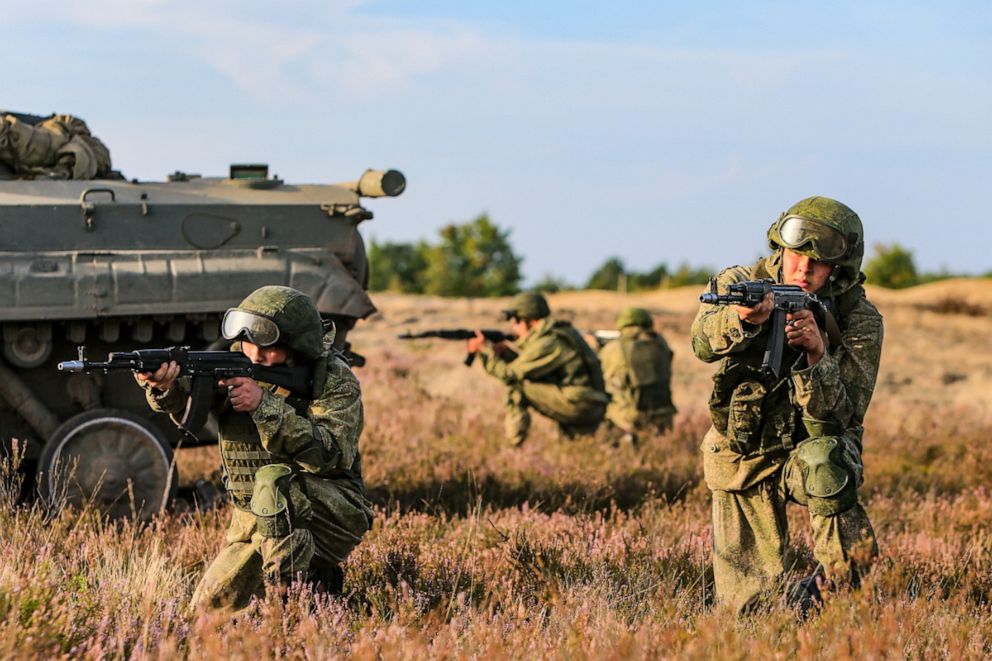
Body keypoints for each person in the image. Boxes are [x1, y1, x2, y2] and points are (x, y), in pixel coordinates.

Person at [690, 196, 881, 615]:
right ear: (780, 247)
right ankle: (787, 609)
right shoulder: (741, 281)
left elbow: (846, 414)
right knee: (748, 611)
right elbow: (701, 343)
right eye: (796, 254)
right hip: (742, 452)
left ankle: (838, 587)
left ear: (841, 268)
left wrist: (817, 355)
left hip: (810, 449)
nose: (803, 269)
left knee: (826, 459)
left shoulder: (858, 318)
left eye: (818, 262)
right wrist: (743, 320)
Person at [136, 286, 373, 610]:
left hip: (331, 512)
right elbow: (189, 400)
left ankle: (285, 609)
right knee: (209, 610)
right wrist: (166, 386)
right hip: (257, 515)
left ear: (298, 346)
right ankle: (320, 584)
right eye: (247, 343)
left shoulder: (333, 379)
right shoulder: (236, 362)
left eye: (269, 348)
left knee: (276, 483)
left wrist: (264, 405)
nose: (255, 354)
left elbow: (332, 454)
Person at [466, 292, 608, 447]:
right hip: (588, 401)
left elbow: (510, 375)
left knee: (518, 387)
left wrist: (485, 350)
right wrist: (505, 353)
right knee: (580, 449)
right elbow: (533, 370)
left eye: (516, 321)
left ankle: (513, 447)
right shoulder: (557, 333)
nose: (513, 327)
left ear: (529, 320)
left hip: (580, 403)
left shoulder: (548, 342)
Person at [598, 307, 677, 446]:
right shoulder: (661, 344)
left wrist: (596, 348)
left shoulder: (614, 348)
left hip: (632, 415)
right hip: (664, 412)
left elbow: (602, 375)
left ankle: (614, 445)